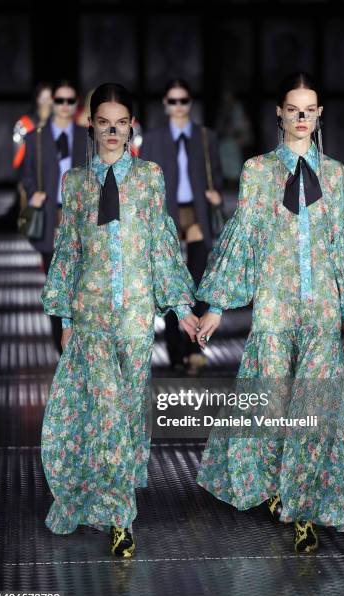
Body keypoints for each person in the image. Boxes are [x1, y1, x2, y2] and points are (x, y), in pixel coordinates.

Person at [195, 72, 344, 553]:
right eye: (293, 108)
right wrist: (216, 306)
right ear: (279, 113)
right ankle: (273, 488)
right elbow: (243, 237)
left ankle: (304, 508)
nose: (300, 117)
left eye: (309, 109)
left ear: (318, 115)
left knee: (316, 410)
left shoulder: (334, 173)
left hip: (320, 308)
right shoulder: (258, 170)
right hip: (273, 304)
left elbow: (340, 240)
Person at [40, 83, 198, 557]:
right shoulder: (76, 183)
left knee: (127, 415)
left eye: (121, 122)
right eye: (104, 122)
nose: (112, 131)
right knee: (104, 411)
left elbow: (163, 244)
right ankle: (119, 516)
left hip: (134, 315)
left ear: (131, 126)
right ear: (91, 124)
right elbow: (67, 250)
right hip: (90, 315)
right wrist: (64, 315)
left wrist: (181, 308)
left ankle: (113, 497)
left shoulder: (150, 178)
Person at [140, 78, 224, 375]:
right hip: (167, 218)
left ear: (190, 102)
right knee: (174, 287)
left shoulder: (205, 137)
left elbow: (217, 172)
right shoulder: (152, 140)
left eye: (183, 100)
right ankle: (176, 353)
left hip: (198, 214)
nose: (178, 106)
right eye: (172, 101)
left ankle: (195, 348)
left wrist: (216, 193)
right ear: (165, 104)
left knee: (199, 284)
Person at [21, 80, 87, 353]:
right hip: (50, 217)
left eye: (70, 101)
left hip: (79, 217)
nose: (64, 106)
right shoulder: (35, 137)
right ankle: (61, 349)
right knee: (56, 284)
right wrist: (33, 192)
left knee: (82, 282)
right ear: (52, 102)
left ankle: (80, 345)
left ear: (75, 104)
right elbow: (25, 174)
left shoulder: (87, 136)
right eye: (59, 100)